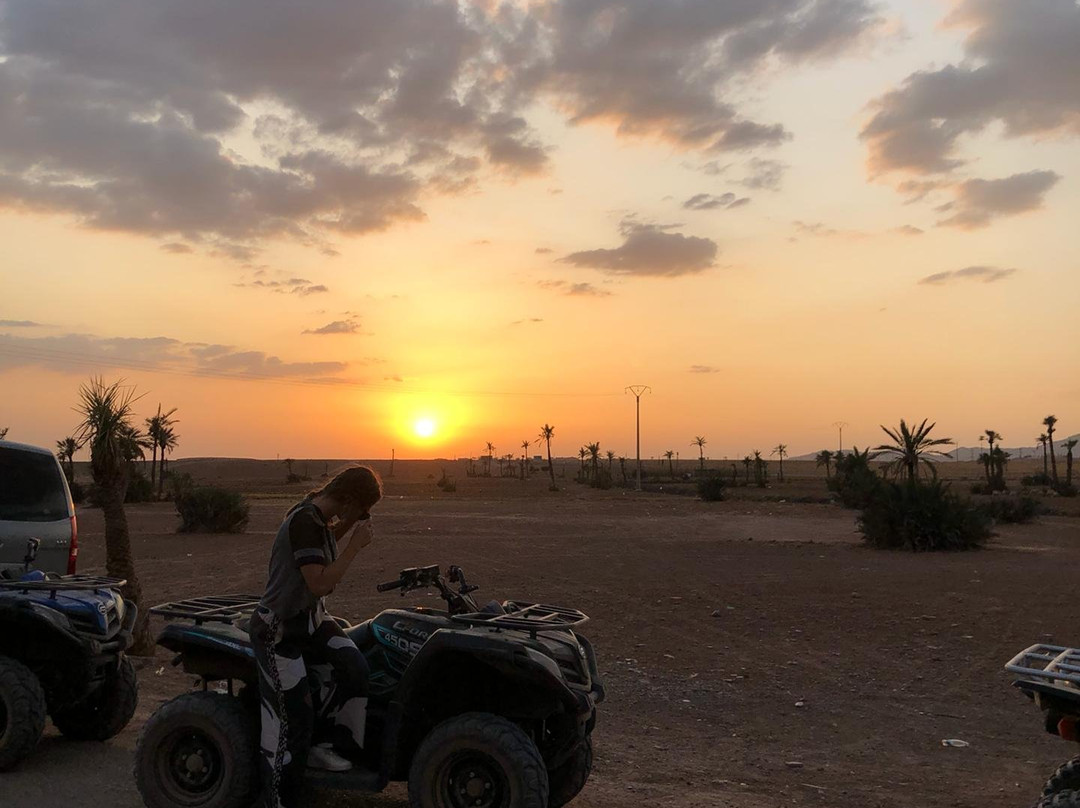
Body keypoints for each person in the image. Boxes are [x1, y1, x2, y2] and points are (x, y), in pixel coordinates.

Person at [248, 465, 382, 808]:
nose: (364, 516)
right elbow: (320, 582)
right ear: (349, 499)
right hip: (280, 630)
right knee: (292, 722)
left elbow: (321, 547)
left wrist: (349, 525)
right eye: (363, 509)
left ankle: (325, 748)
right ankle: (277, 799)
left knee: (355, 666)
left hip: (311, 620)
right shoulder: (305, 520)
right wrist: (354, 547)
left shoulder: (317, 516)